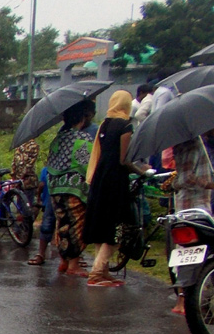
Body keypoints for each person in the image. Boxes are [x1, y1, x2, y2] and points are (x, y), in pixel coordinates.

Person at [85, 90, 147, 287]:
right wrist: (141, 171)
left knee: (101, 223)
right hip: (115, 182)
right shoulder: (125, 125)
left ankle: (102, 270)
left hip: (99, 177)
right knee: (118, 226)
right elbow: (123, 160)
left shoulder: (105, 124)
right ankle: (97, 271)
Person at [41, 100, 96, 274]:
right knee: (76, 225)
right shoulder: (82, 138)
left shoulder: (58, 138)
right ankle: (74, 264)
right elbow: (84, 165)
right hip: (74, 189)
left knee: (62, 224)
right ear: (82, 118)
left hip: (55, 188)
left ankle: (64, 261)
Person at [168, 132, 214, 312]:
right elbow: (186, 178)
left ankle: (189, 298)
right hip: (195, 205)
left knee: (188, 253)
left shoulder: (184, 144)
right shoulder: (193, 145)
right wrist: (209, 184)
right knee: (192, 253)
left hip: (191, 204)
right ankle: (183, 300)